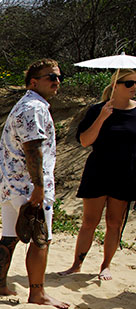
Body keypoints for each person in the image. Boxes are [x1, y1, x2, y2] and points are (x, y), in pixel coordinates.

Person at [0, 58, 69, 309]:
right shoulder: (34, 108)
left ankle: (0, 285)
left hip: (9, 183)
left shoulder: (24, 105)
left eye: (58, 77)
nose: (57, 81)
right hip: (26, 184)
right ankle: (38, 294)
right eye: (51, 77)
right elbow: (33, 148)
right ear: (34, 82)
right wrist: (38, 186)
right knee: (40, 238)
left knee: (10, 235)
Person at [60, 69, 136, 281]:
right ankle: (77, 264)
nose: (134, 88)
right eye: (129, 83)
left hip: (124, 174)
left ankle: (106, 266)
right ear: (115, 86)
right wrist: (103, 117)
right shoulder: (97, 110)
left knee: (115, 223)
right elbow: (85, 141)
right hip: (98, 171)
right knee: (89, 221)